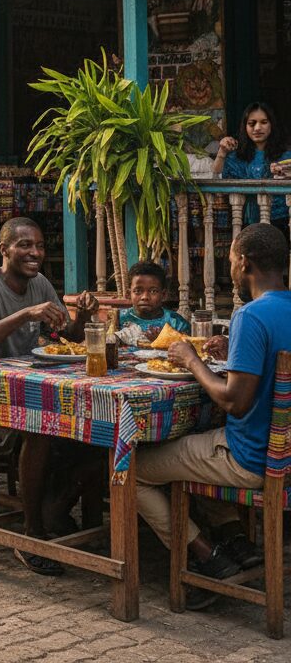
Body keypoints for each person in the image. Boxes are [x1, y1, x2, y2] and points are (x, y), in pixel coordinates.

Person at [135, 223, 291, 610]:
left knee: (128, 467)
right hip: (284, 455)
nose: (232, 271)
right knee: (191, 446)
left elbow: (234, 402)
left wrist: (190, 359)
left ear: (244, 261)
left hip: (249, 458)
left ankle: (208, 557)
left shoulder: (252, 316)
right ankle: (238, 540)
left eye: (232, 262)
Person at [0, 216, 100, 575]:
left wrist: (81, 317)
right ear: (4, 250)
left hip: (29, 388)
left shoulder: (41, 284)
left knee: (94, 428)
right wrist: (25, 314)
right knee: (39, 428)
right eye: (24, 245)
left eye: (38, 245)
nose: (35, 252)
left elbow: (67, 336)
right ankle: (31, 534)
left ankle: (55, 511)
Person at [212, 102, 291, 233]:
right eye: (252, 123)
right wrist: (222, 152)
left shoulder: (286, 155)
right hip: (248, 223)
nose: (258, 128)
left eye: (264, 122)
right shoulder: (237, 157)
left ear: (272, 125)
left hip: (283, 221)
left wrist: (284, 172)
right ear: (245, 127)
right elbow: (216, 179)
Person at [118, 261, 189, 336]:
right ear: (129, 294)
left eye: (153, 291)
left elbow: (188, 346)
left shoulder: (176, 323)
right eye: (138, 291)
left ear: (164, 295)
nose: (145, 297)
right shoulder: (118, 320)